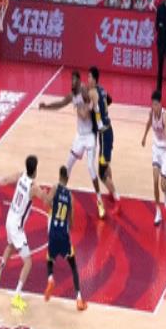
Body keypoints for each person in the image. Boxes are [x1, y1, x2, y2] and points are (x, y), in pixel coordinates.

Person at [39, 71, 106, 219]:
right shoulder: (72, 96)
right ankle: (58, 199)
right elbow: (60, 104)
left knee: (90, 168)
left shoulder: (84, 91)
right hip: (79, 137)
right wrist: (46, 106)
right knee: (67, 166)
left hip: (90, 136)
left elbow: (89, 109)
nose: (73, 82)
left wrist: (87, 109)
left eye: (75, 80)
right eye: (72, 80)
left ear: (79, 81)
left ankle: (99, 201)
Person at [0, 155, 49, 312]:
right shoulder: (34, 187)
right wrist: (50, 192)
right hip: (16, 226)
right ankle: (16, 296)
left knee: (10, 245)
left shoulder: (21, 175)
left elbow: (6, 179)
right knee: (28, 262)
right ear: (35, 170)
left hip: (9, 218)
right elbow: (46, 200)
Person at [44, 166, 88, 311]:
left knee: (49, 260)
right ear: (67, 178)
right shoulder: (70, 196)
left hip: (53, 233)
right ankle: (79, 299)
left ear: (59, 176)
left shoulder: (55, 188)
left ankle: (50, 279)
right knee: (73, 267)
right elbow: (72, 221)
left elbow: (47, 202)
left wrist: (49, 200)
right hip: (63, 235)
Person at [87, 66, 121, 214]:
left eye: (89, 77)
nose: (87, 79)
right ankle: (112, 193)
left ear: (94, 79)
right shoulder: (102, 90)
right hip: (107, 131)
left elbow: (88, 110)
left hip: (104, 135)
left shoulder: (92, 92)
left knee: (101, 173)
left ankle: (117, 199)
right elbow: (110, 100)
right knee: (106, 164)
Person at [141, 90, 166, 225]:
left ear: (160, 104)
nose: (154, 106)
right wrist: (144, 136)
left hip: (165, 151)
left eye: (156, 104)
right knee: (155, 181)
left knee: (162, 185)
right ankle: (158, 212)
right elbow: (148, 123)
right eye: (153, 104)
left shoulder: (164, 117)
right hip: (156, 149)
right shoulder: (151, 113)